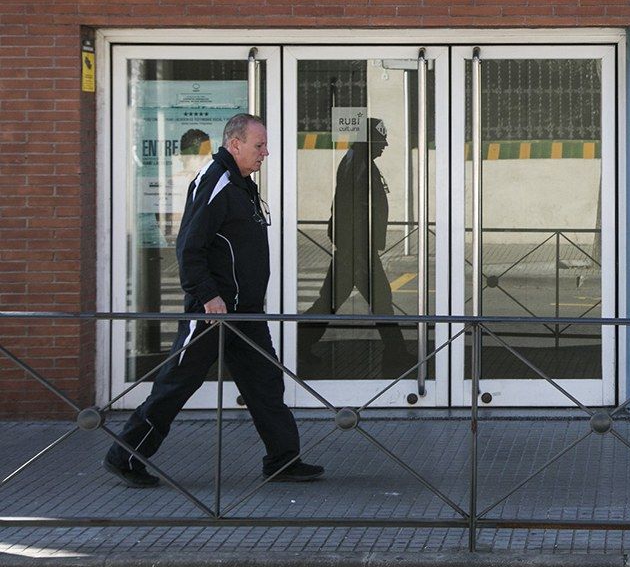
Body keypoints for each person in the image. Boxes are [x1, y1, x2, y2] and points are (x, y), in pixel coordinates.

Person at [104, 114, 323, 488]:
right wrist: (208, 296)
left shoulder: (241, 183)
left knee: (265, 384)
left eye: (265, 146)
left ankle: (284, 461)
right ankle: (125, 456)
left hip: (245, 315)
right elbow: (189, 246)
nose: (265, 153)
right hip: (213, 314)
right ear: (234, 144)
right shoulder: (216, 181)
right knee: (175, 384)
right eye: (259, 146)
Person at [303, 117, 411, 369]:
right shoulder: (358, 164)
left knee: (328, 303)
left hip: (356, 248)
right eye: (380, 141)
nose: (384, 146)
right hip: (357, 250)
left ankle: (297, 346)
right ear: (368, 140)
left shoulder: (358, 161)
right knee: (379, 300)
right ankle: (395, 354)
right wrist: (356, 250)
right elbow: (350, 208)